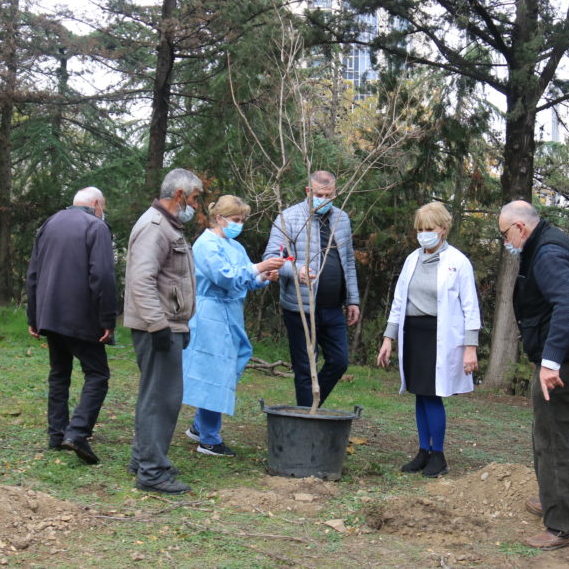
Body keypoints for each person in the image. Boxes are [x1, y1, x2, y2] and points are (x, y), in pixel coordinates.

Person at [499, 200, 569, 551]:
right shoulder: (547, 242)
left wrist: (552, 362)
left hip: (565, 362)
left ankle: (561, 526)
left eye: (505, 234)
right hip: (559, 358)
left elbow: (567, 306)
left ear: (520, 228)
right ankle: (550, 498)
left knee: (554, 439)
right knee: (545, 431)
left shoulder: (547, 253)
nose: (505, 242)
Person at [376, 202, 481, 478]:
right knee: (419, 394)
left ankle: (439, 455)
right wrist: (389, 337)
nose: (424, 234)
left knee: (433, 395)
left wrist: (471, 347)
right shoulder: (412, 259)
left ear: (443, 229)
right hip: (414, 333)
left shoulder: (458, 262)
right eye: (419, 229)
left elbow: (471, 307)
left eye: (429, 229)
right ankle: (423, 451)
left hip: (440, 336)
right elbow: (399, 301)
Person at [182, 196, 285, 456]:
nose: (240, 224)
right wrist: (258, 267)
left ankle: (199, 425)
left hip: (230, 313)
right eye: (236, 220)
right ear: (219, 218)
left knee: (231, 366)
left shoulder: (235, 246)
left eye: (242, 220)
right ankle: (209, 438)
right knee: (215, 373)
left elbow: (245, 278)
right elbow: (224, 277)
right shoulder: (206, 244)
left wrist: (263, 276)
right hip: (209, 314)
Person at [124, 168, 202, 495]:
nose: (197, 207)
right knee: (162, 399)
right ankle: (152, 473)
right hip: (159, 327)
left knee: (156, 395)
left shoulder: (168, 226)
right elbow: (141, 280)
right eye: (196, 199)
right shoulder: (156, 228)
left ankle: (143, 458)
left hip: (167, 325)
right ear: (180, 196)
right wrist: (158, 327)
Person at [26, 187, 117, 465]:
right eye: (103, 207)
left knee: (59, 374)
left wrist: (33, 315)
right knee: (97, 374)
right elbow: (102, 275)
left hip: (49, 314)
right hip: (81, 316)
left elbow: (33, 273)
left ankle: (56, 434)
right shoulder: (96, 226)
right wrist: (107, 318)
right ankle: (77, 432)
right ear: (96, 204)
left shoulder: (49, 223)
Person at [263, 170, 360, 408]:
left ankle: (310, 409)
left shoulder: (342, 219)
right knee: (305, 368)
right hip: (300, 307)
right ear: (308, 191)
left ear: (335, 193)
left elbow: (348, 261)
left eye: (329, 195)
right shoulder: (288, 218)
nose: (324, 199)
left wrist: (353, 299)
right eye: (319, 194)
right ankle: (306, 422)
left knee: (339, 362)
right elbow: (271, 257)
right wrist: (297, 271)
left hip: (333, 308)